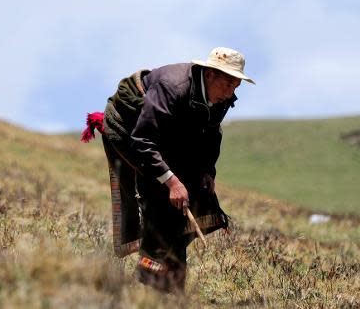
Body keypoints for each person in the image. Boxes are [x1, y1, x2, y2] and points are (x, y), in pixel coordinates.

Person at [81, 47, 254, 292]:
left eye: (236, 86)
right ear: (209, 74)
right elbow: (143, 139)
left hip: (170, 137)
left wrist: (207, 172)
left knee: (194, 197)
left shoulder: (222, 98)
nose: (230, 93)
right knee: (162, 199)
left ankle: (170, 284)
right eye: (227, 84)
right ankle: (151, 281)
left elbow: (212, 133)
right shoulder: (172, 87)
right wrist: (172, 182)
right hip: (130, 130)